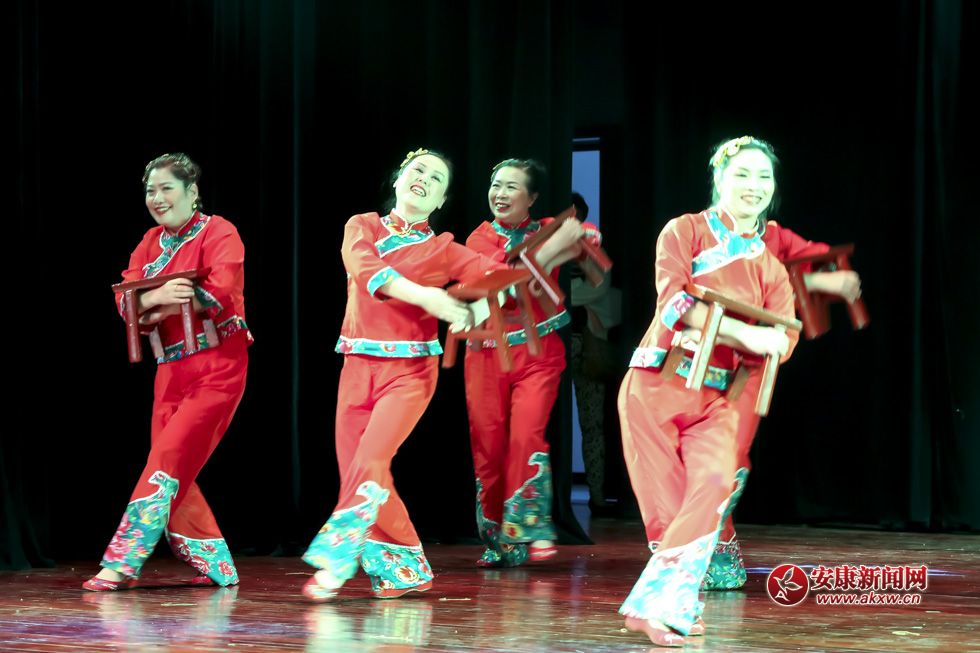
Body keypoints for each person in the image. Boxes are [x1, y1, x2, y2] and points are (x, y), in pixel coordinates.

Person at [301, 148, 504, 601]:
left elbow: (500, 278)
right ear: (398, 179)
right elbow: (364, 267)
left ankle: (336, 559)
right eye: (418, 170)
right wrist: (429, 298)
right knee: (360, 472)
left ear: (441, 200)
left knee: (370, 461)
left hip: (411, 372)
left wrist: (476, 310)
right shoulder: (362, 225)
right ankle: (406, 569)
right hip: (357, 366)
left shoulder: (445, 249)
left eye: (436, 179)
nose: (424, 179)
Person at [617, 137, 797, 646]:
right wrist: (743, 334)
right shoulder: (686, 230)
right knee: (667, 510)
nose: (754, 185)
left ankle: (656, 605)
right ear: (719, 178)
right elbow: (674, 303)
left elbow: (784, 336)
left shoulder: (771, 268)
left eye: (763, 176)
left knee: (715, 485)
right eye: (742, 174)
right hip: (657, 383)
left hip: (716, 397)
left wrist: (771, 342)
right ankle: (668, 606)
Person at [84, 152, 252, 591]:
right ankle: (217, 563)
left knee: (167, 459)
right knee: (173, 464)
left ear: (192, 192)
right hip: (170, 369)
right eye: (150, 191)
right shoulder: (150, 242)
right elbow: (125, 299)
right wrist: (158, 298)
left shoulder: (220, 231)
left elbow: (221, 290)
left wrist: (157, 301)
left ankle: (122, 561)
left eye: (166, 188)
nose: (156, 198)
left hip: (218, 365)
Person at [463, 159, 600, 567]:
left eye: (512, 187)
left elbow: (591, 254)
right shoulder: (479, 238)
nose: (500, 193)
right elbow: (504, 279)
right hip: (487, 353)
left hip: (539, 352)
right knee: (489, 445)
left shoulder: (547, 228)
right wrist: (555, 249)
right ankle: (497, 538)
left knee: (527, 434)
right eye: (496, 184)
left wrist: (585, 236)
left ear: (533, 197)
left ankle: (526, 526)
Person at [568, 192, 622, 514]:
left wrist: (557, 293)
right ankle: (544, 497)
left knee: (592, 424)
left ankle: (598, 495)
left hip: (586, 343)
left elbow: (596, 288)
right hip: (548, 345)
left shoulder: (593, 250)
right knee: (544, 424)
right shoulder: (542, 250)